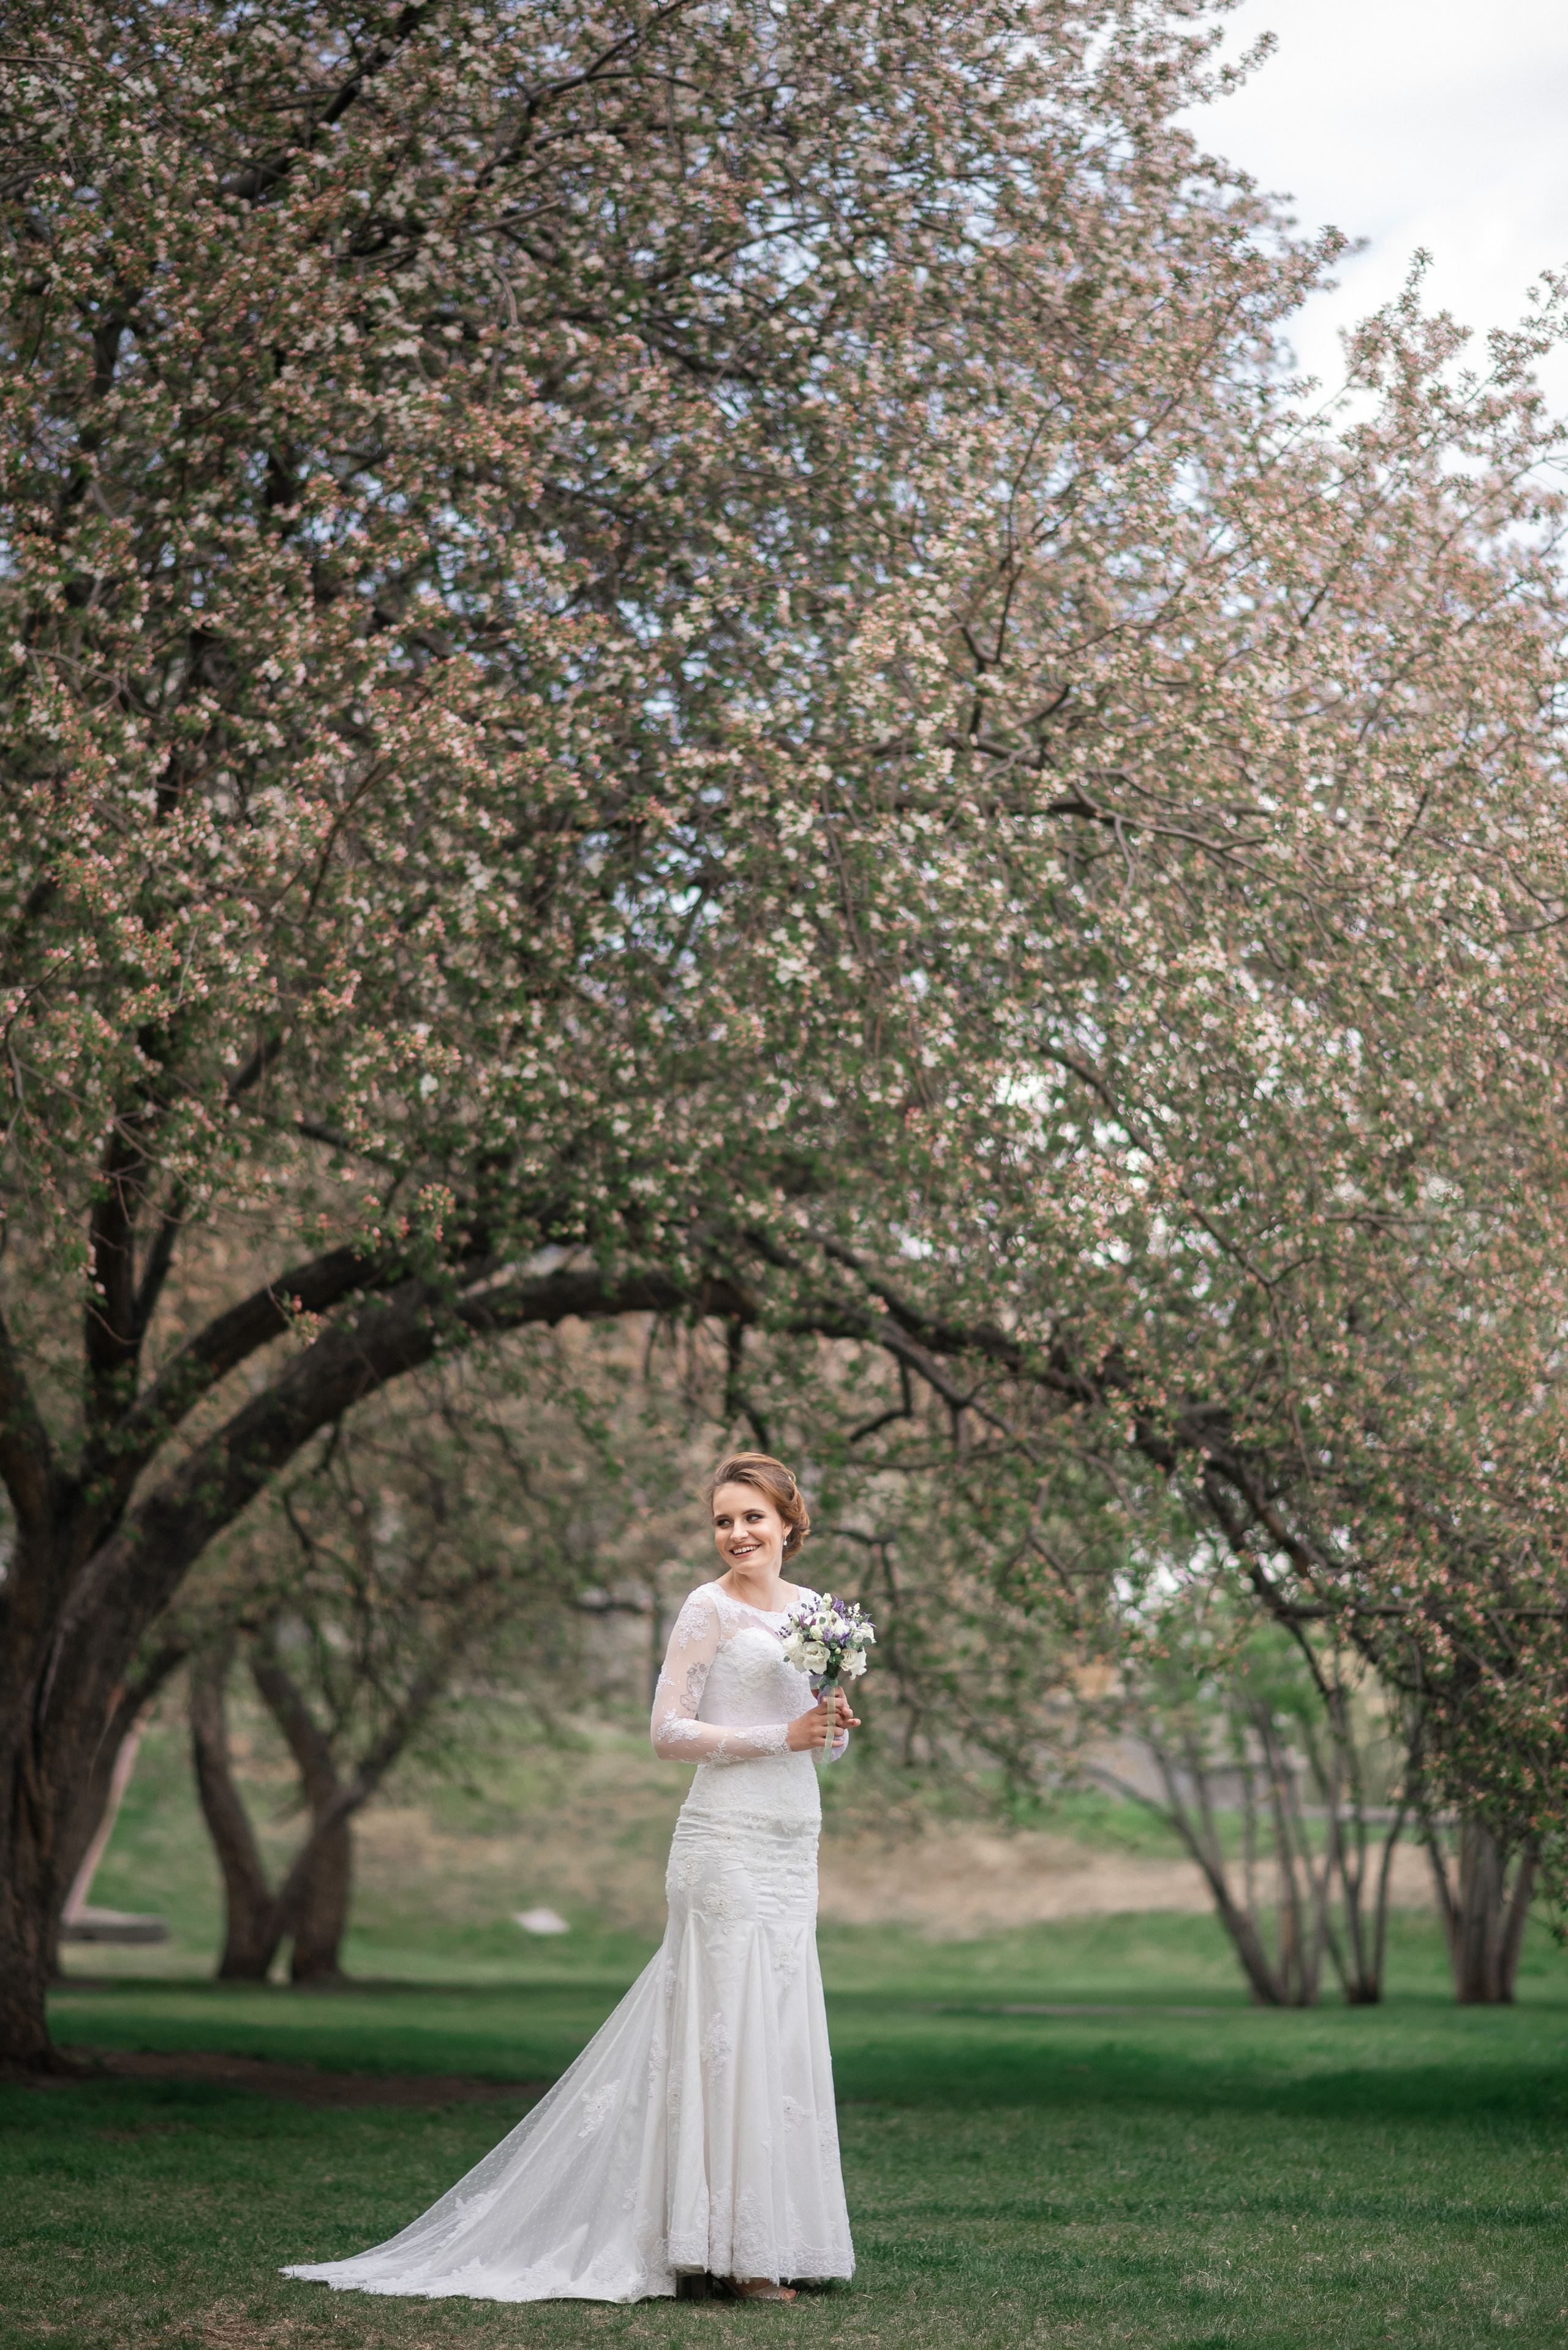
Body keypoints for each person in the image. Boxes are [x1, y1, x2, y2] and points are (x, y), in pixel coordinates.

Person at [282, 1450, 859, 2307]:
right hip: (725, 1838)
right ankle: (732, 2259)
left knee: (776, 2023)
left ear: (788, 1523)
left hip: (791, 1833)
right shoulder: (706, 1609)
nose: (737, 1534)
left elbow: (816, 1731)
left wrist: (827, 1725)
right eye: (723, 1520)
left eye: (752, 1517)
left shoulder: (820, 1614)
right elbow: (667, 1732)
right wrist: (781, 1737)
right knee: (724, 2026)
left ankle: (766, 2236)